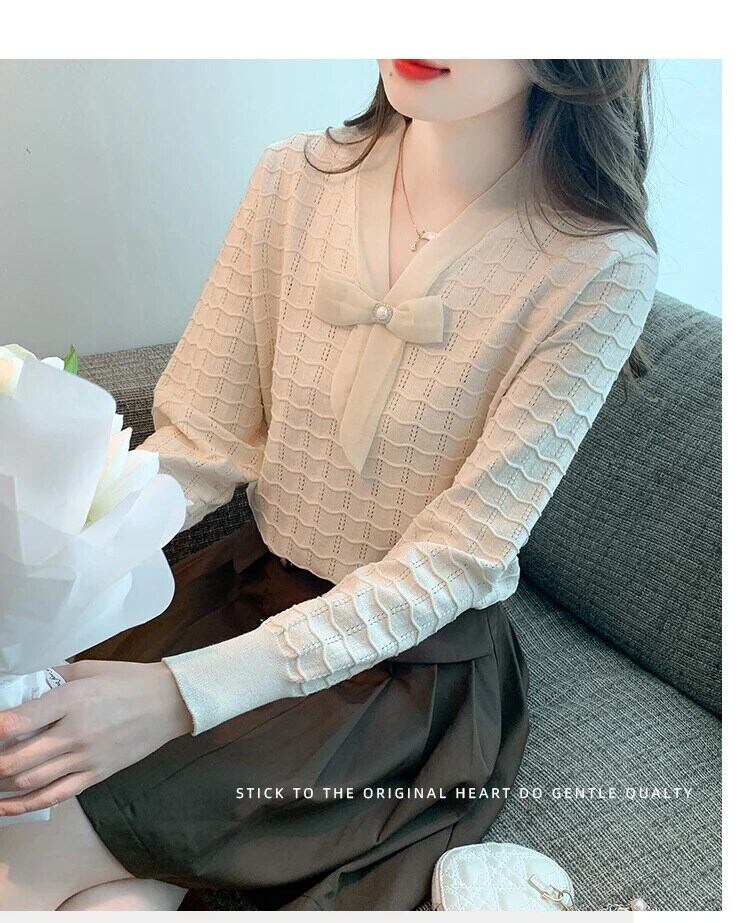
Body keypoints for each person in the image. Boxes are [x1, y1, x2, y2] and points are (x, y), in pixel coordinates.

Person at [0, 59, 658, 911]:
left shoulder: (595, 267)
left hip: (404, 677)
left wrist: (179, 696)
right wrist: (47, 569)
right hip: (245, 594)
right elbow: (201, 441)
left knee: (29, 858)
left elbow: (453, 561)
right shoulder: (295, 178)